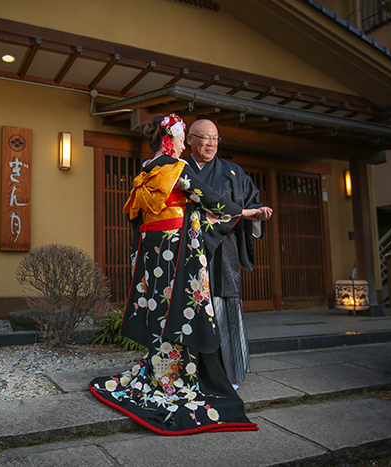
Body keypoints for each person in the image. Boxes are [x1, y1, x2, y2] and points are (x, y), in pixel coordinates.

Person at [89, 114, 260, 435]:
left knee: (162, 312)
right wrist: (244, 212)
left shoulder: (146, 168)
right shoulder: (175, 168)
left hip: (153, 253)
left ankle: (164, 369)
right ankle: (182, 375)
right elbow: (209, 200)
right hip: (178, 251)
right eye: (183, 139)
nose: (185, 145)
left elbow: (137, 215)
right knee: (187, 312)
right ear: (172, 139)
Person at [186, 119, 273, 389]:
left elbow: (252, 203)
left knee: (225, 311)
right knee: (189, 310)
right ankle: (188, 372)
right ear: (189, 139)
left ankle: (229, 374)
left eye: (215, 138)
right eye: (205, 138)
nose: (211, 143)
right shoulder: (179, 170)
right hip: (188, 250)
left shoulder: (233, 172)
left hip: (223, 252)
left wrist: (258, 213)